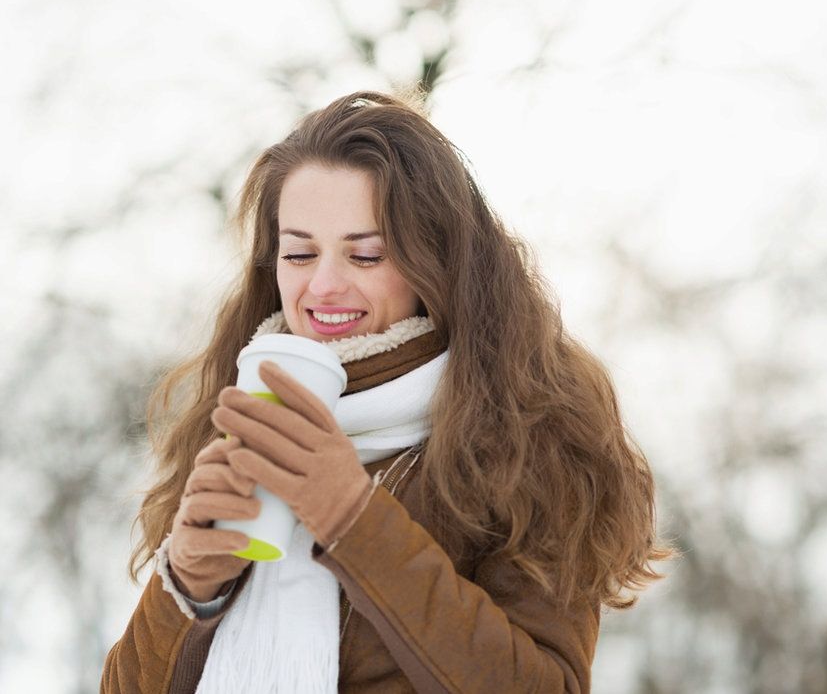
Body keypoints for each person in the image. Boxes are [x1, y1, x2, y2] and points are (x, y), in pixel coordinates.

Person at [100, 90, 671, 693]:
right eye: (298, 253)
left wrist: (354, 519)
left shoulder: (528, 439)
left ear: (437, 262)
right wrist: (185, 587)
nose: (323, 285)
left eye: (366, 255)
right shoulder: (237, 415)